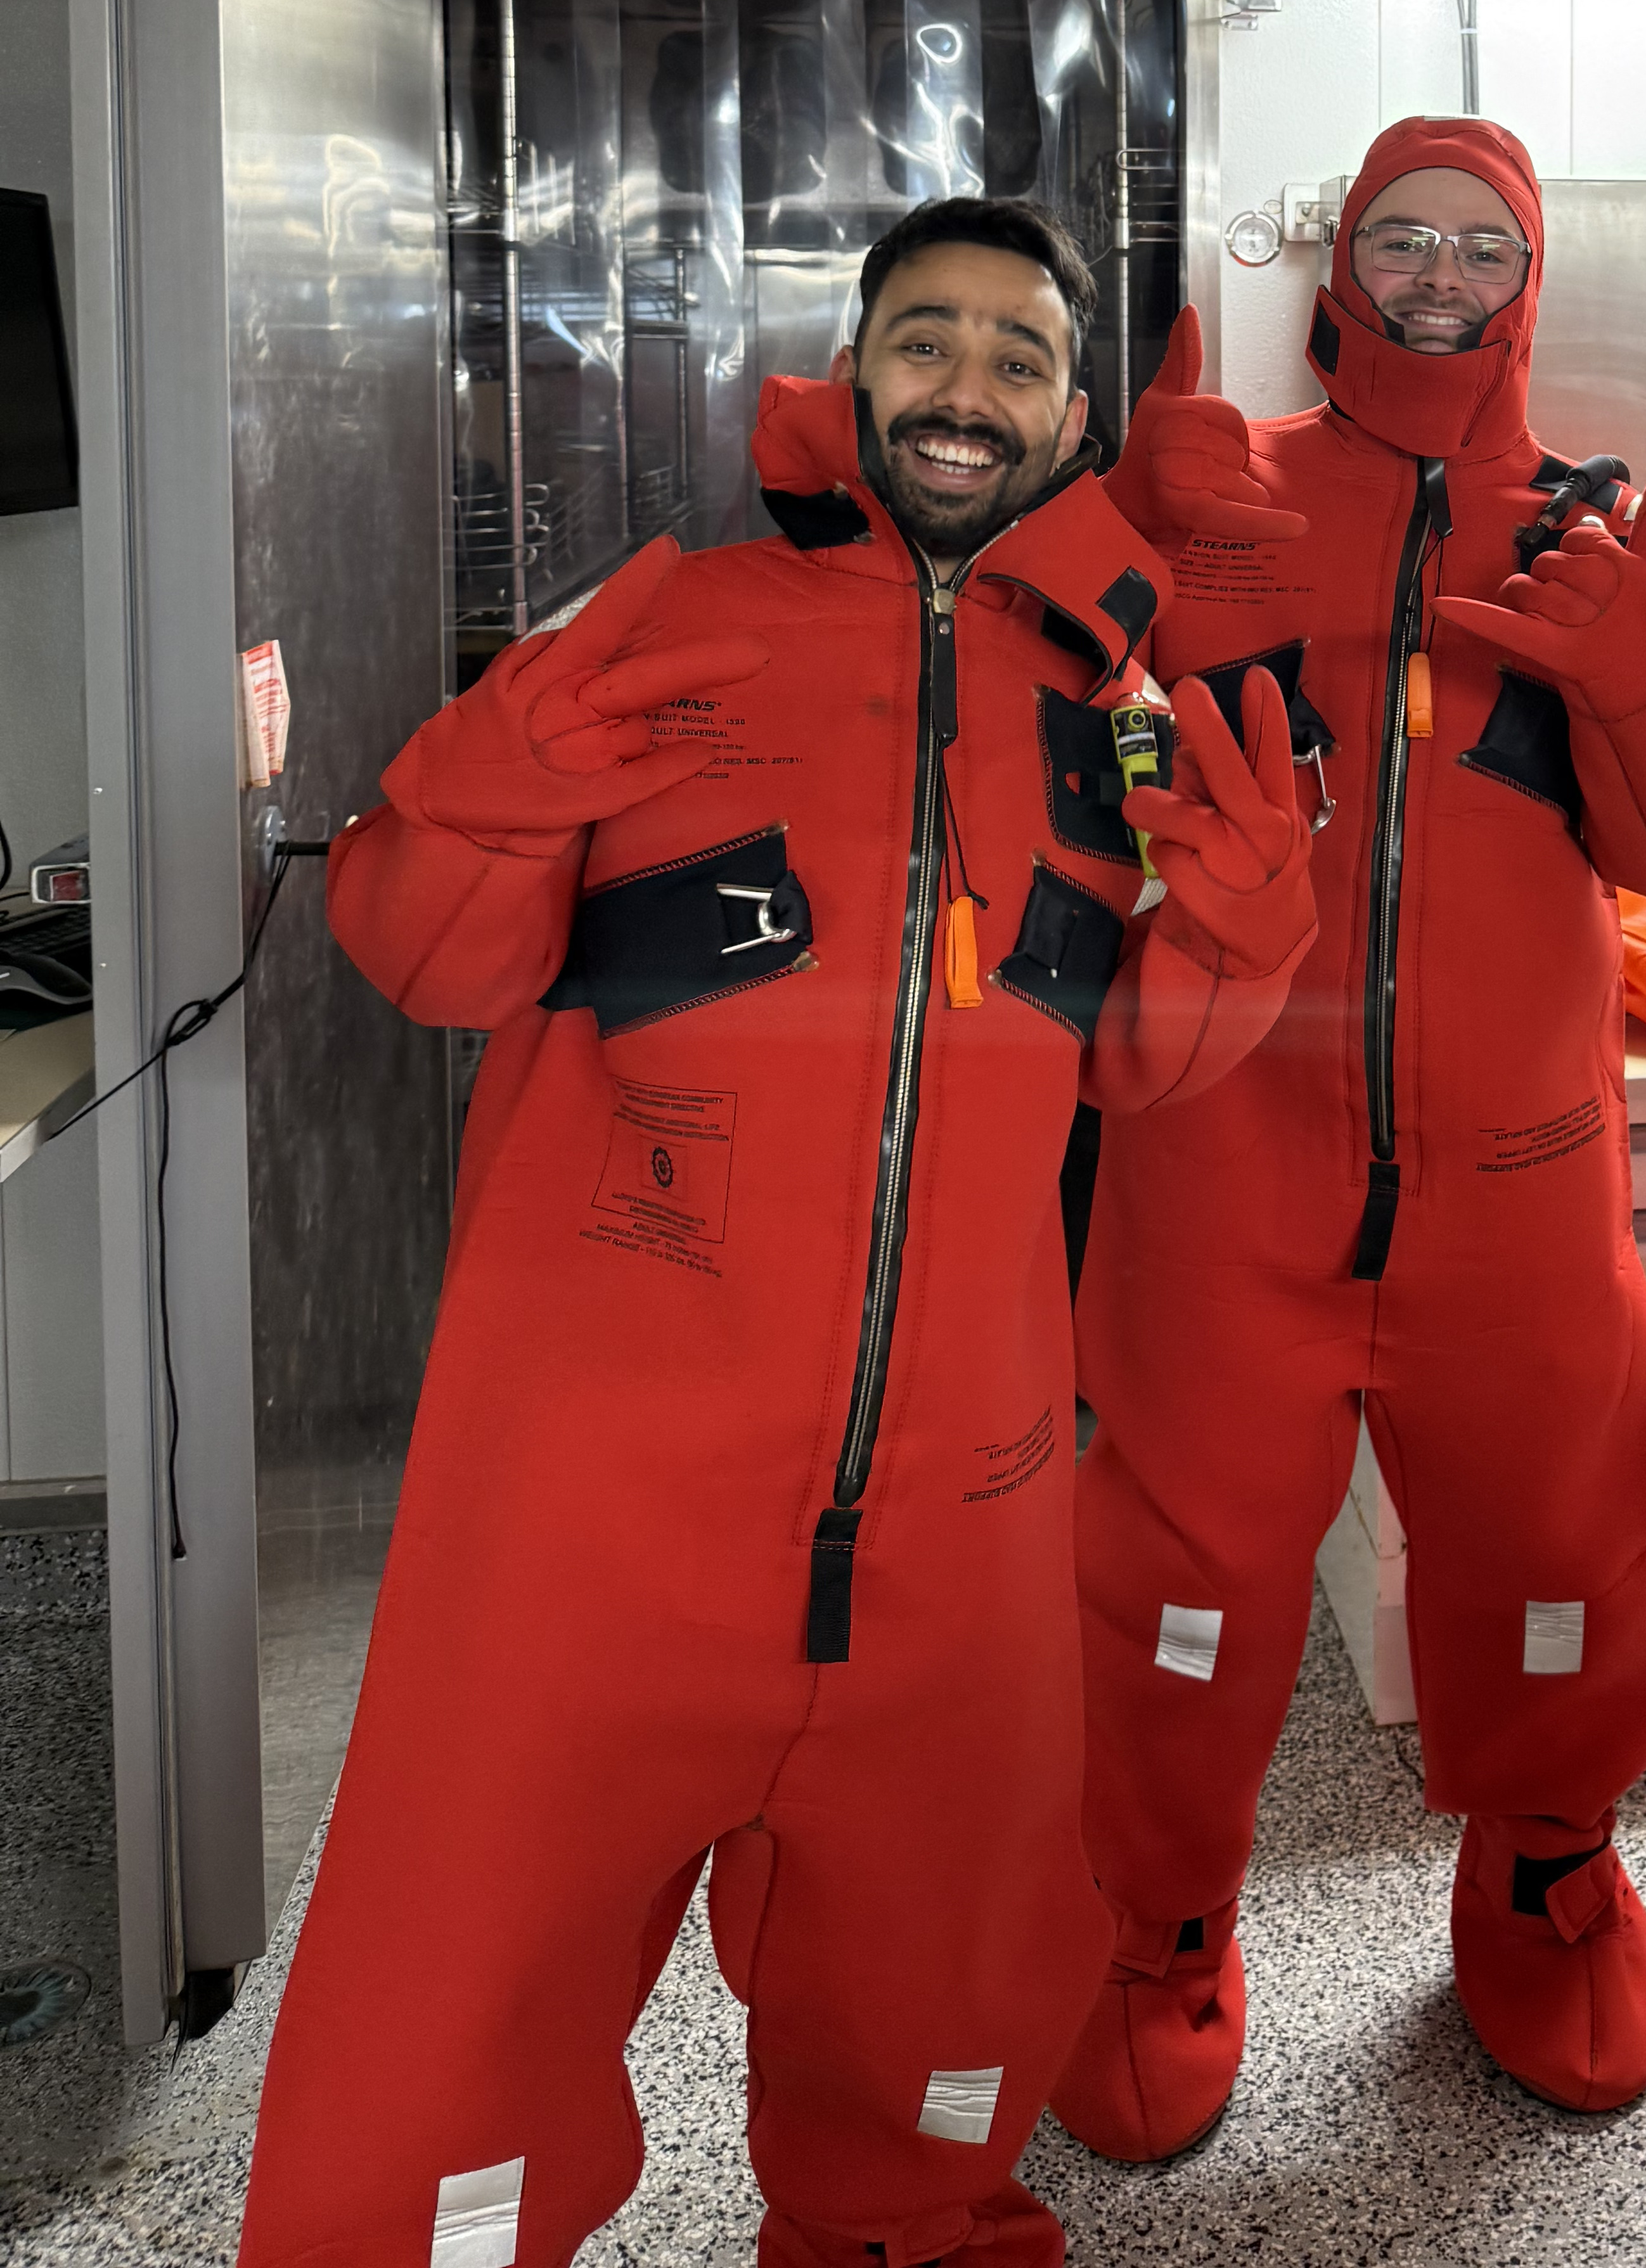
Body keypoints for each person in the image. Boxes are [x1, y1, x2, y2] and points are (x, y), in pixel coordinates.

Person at [237, 199, 1317, 2268]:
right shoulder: (667, 623)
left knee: (946, 1966)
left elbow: (1136, 1068)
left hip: (957, 1490)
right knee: (469, 1978)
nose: (968, 392)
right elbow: (423, 962)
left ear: (1073, 413)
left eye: (1017, 358)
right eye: (929, 343)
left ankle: (906, 2224)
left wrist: (1249, 935)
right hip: (604, 1478)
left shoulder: (1115, 700)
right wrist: (480, 790)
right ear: (857, 374)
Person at [1053, 115, 1646, 2159]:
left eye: (1475, 241)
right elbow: (1040, 734)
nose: (1435, 271)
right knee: (1177, 1601)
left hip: (1519, 1191)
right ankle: (1156, 1929)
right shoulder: (1221, 484)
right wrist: (1108, 526)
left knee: (1558, 1571)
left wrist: (1631, 664)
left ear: (1521, 277)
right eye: (1398, 236)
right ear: (1338, 267)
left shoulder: (1594, 521)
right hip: (1223, 1178)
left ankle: (1546, 1888)